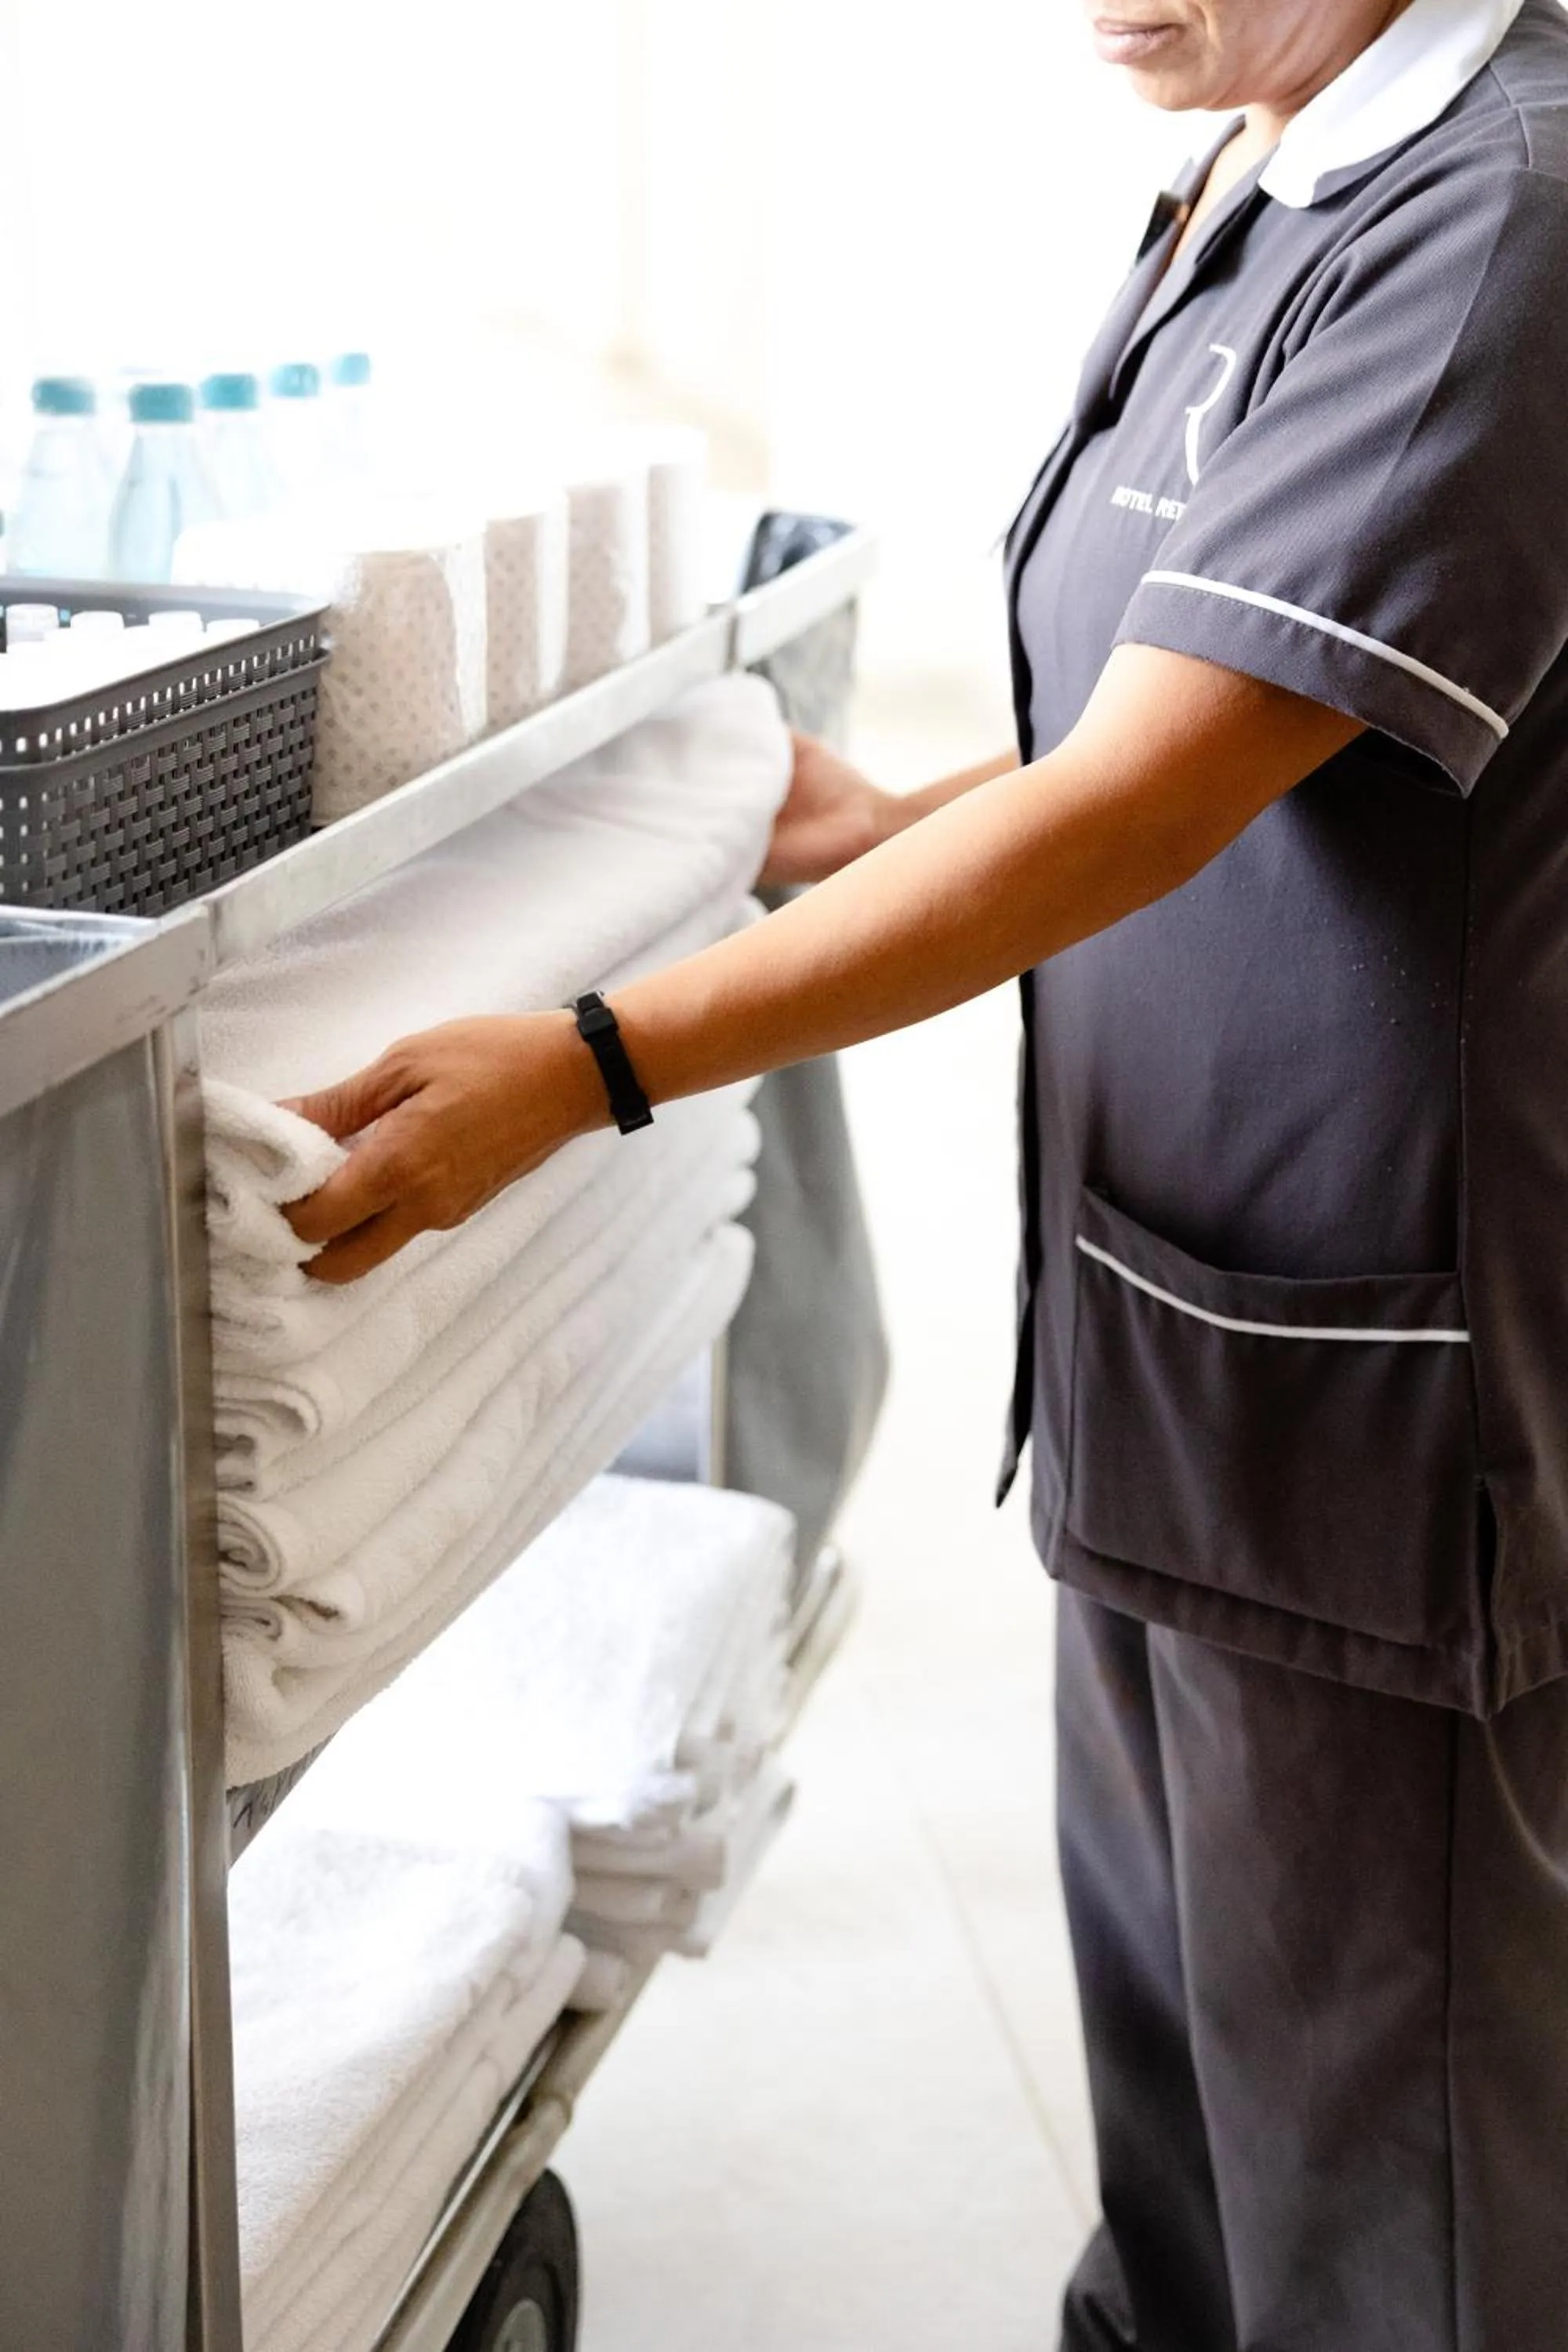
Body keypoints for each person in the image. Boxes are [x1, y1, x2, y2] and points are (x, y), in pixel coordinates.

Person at [285, 1, 1568, 2341]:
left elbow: (1150, 796)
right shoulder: (1254, 157)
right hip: (1187, 1344)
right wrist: (885, 827)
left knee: (1397, 2222)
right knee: (1193, 2170)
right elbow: (1157, 693)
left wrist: (595, 1059)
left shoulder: (1502, 223)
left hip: (1380, 1406)